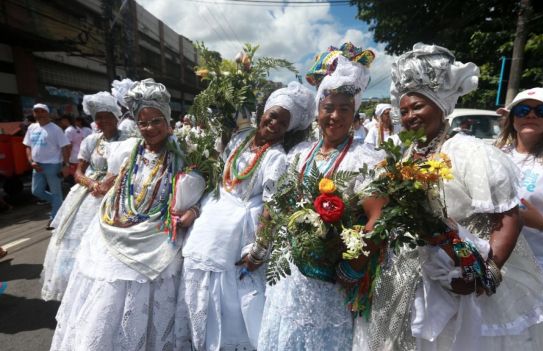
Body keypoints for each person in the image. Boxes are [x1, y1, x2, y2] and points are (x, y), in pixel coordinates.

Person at [353, 43, 543, 351]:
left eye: (418, 107)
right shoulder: (400, 154)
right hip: (405, 275)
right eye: (404, 110)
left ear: (441, 106)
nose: (409, 116)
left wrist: (487, 272)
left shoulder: (469, 151)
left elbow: (508, 216)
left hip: (460, 276)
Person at [50, 79, 205, 350]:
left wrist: (192, 210)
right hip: (115, 227)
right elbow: (112, 183)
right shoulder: (125, 150)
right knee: (107, 294)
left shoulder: (184, 153)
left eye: (156, 121)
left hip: (158, 235)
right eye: (143, 123)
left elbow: (204, 193)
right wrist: (95, 186)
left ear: (168, 121)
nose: (149, 129)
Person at [258, 43, 383, 350]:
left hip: (331, 280)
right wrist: (262, 243)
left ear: (355, 113)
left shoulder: (364, 158)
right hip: (290, 273)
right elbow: (276, 204)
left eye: (345, 108)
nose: (335, 116)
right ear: (317, 111)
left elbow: (378, 217)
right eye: (328, 107)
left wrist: (354, 263)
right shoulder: (300, 153)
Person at [174, 81, 315, 350]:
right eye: (272, 116)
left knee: (229, 290)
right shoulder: (241, 138)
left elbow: (273, 206)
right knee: (197, 271)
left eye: (282, 123)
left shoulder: (276, 158)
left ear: (287, 130)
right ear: (262, 112)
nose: (274, 124)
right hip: (214, 213)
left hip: (239, 228)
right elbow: (220, 177)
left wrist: (260, 248)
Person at [41, 91, 127, 301]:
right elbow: (78, 172)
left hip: (119, 192)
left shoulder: (129, 140)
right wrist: (92, 183)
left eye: (107, 115)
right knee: (75, 239)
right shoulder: (90, 141)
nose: (103, 120)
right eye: (98, 116)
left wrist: (112, 183)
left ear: (117, 117)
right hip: (89, 194)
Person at [497, 88, 543, 293]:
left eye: (542, 110)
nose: (531, 115)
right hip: (494, 258)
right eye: (522, 110)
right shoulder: (496, 155)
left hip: (541, 263)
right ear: (512, 118)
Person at [23, 103, 71, 229]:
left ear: (47, 113)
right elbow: (28, 146)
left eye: (42, 111)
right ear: (34, 114)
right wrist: (31, 161)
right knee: (36, 191)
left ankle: (54, 219)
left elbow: (65, 147)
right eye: (37, 112)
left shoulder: (55, 129)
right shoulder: (32, 128)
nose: (39, 114)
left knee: (55, 192)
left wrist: (66, 165)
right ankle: (59, 203)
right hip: (37, 165)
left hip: (53, 165)